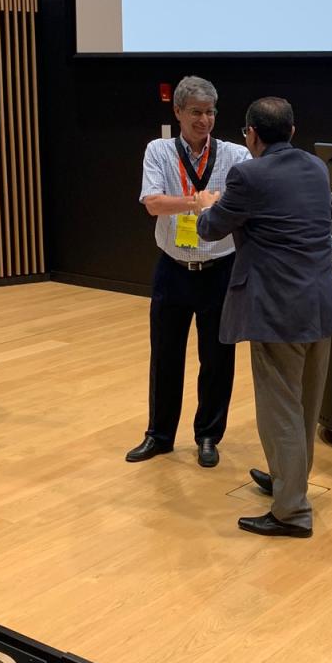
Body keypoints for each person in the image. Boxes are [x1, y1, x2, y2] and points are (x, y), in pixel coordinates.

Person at [195, 97, 332, 537]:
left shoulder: (246, 173)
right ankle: (289, 484)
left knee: (279, 409)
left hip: (278, 310)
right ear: (293, 132)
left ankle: (291, 512)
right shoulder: (317, 168)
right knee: (305, 406)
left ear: (251, 135)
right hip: (321, 304)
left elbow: (211, 228)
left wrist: (208, 203)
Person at [125, 76, 249, 468]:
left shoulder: (235, 155)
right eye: (195, 112)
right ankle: (159, 435)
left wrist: (195, 203)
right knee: (165, 356)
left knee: (217, 358)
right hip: (173, 268)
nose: (204, 120)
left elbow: (243, 204)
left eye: (210, 112)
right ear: (177, 111)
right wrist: (200, 202)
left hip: (220, 268)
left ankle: (209, 435)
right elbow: (153, 203)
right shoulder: (159, 151)